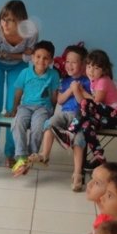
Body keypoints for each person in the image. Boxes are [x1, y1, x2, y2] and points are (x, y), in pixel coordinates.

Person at [56, 50, 117, 190]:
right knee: (87, 124)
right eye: (89, 67)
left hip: (115, 115)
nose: (91, 71)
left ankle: (70, 134)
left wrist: (81, 91)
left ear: (104, 70)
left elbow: (94, 102)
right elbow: (89, 106)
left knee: (86, 104)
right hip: (103, 116)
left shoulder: (103, 81)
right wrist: (80, 92)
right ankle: (98, 155)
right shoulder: (94, 81)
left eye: (96, 68)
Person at [0, 0, 37, 166]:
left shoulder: (31, 32)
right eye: (3, 18)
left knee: (13, 109)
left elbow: (30, 57)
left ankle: (11, 153)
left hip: (18, 66)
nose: (4, 23)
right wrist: (20, 54)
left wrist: (13, 56)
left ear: (21, 21)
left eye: (10, 20)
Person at [32, 43, 89, 182]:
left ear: (82, 65)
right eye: (67, 61)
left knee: (79, 139)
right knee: (49, 123)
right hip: (65, 115)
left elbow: (85, 102)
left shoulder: (87, 81)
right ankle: (44, 155)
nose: (69, 65)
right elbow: (60, 100)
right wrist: (71, 89)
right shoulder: (65, 80)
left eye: (74, 62)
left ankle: (77, 174)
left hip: (80, 116)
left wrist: (77, 90)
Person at [8, 40, 59, 176]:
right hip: (25, 106)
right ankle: (21, 157)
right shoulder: (25, 72)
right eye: (38, 56)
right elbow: (18, 91)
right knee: (17, 123)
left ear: (51, 60)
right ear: (32, 57)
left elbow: (54, 96)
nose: (41, 60)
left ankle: (31, 156)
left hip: (43, 108)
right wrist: (14, 108)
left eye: (45, 58)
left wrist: (53, 111)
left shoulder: (53, 75)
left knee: (38, 127)